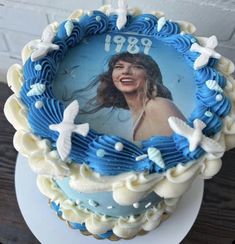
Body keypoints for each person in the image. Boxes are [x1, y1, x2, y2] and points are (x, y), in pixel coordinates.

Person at [94, 52, 185, 141]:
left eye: (137, 67)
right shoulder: (139, 114)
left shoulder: (158, 105)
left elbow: (181, 147)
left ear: (149, 75)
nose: (125, 71)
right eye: (119, 67)